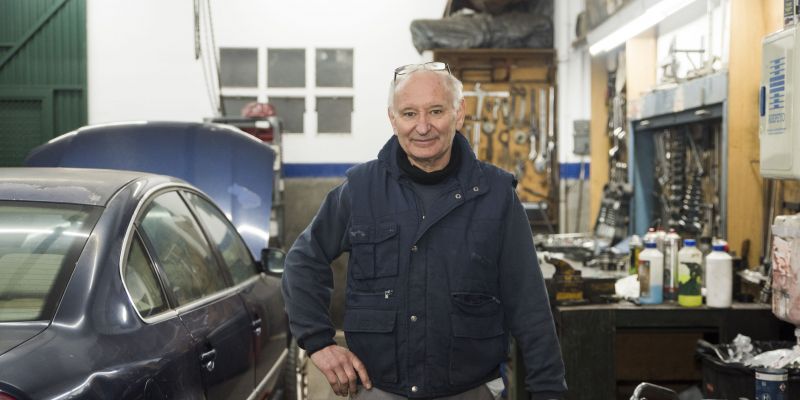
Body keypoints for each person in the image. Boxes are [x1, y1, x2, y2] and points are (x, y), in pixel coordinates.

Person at [281, 62, 566, 399]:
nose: (423, 126)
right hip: (378, 389)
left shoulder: (496, 195)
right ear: (393, 119)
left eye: (435, 111)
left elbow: (529, 304)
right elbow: (302, 262)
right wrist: (318, 343)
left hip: (470, 390)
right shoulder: (361, 190)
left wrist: (549, 391)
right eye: (409, 114)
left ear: (458, 114)